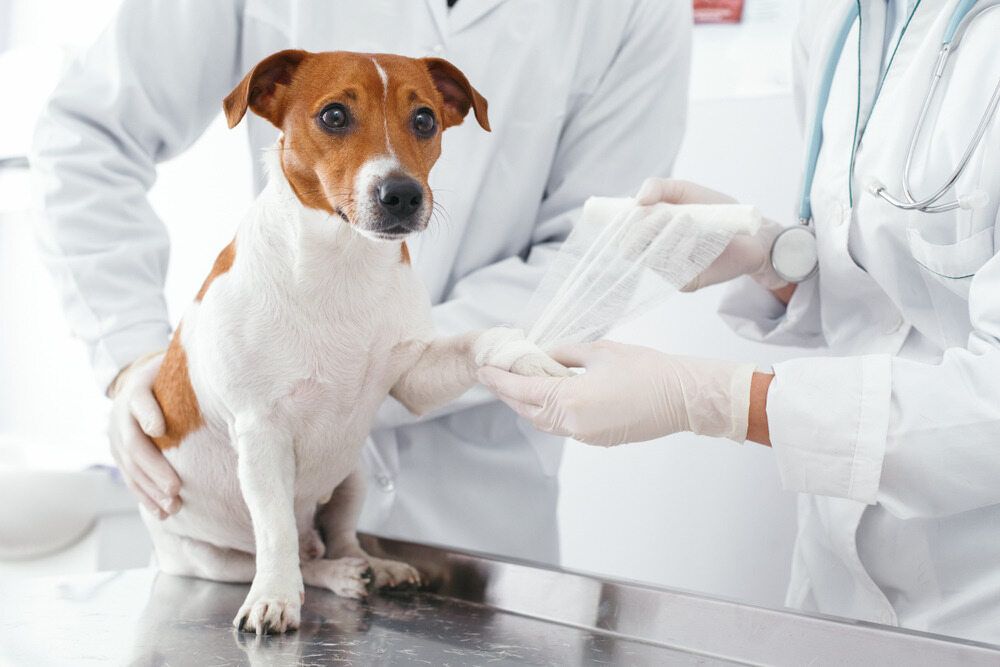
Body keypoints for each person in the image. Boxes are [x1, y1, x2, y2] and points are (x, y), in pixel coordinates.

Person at [30, 0, 691, 564]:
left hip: (477, 513)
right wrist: (130, 354)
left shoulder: (632, 9)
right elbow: (90, 135)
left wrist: (371, 360)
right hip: (236, 519)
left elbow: (599, 253)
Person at [479, 0, 1000, 644]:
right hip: (835, 580)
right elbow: (891, 301)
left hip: (979, 593)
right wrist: (775, 257)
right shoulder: (841, 20)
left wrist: (718, 401)